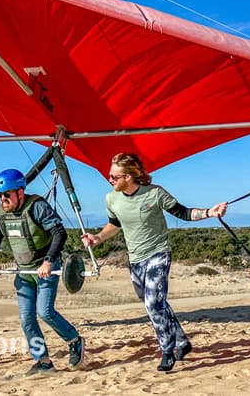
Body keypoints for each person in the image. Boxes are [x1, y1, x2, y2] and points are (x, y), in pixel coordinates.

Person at [81, 152, 227, 372]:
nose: (110, 180)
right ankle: (181, 342)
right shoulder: (111, 199)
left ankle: (167, 351)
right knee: (156, 304)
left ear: (129, 176)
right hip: (135, 260)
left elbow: (183, 212)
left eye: (114, 176)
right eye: (110, 176)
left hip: (158, 254)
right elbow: (114, 224)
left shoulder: (155, 193)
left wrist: (210, 212)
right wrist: (98, 238)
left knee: (153, 304)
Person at [0, 169, 85, 376]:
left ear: (19, 192)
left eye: (6, 194)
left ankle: (75, 341)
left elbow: (59, 233)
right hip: (23, 271)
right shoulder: (0, 212)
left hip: (46, 267)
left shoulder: (37, 206)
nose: (2, 199)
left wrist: (48, 260)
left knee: (44, 312)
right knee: (27, 318)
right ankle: (43, 361)